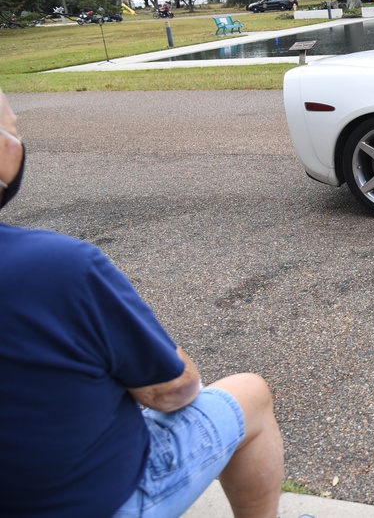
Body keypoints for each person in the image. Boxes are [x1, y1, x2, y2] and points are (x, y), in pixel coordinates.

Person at [0, 89, 285, 518]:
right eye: (13, 127)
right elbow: (171, 391)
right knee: (250, 392)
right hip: (92, 503)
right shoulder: (57, 266)